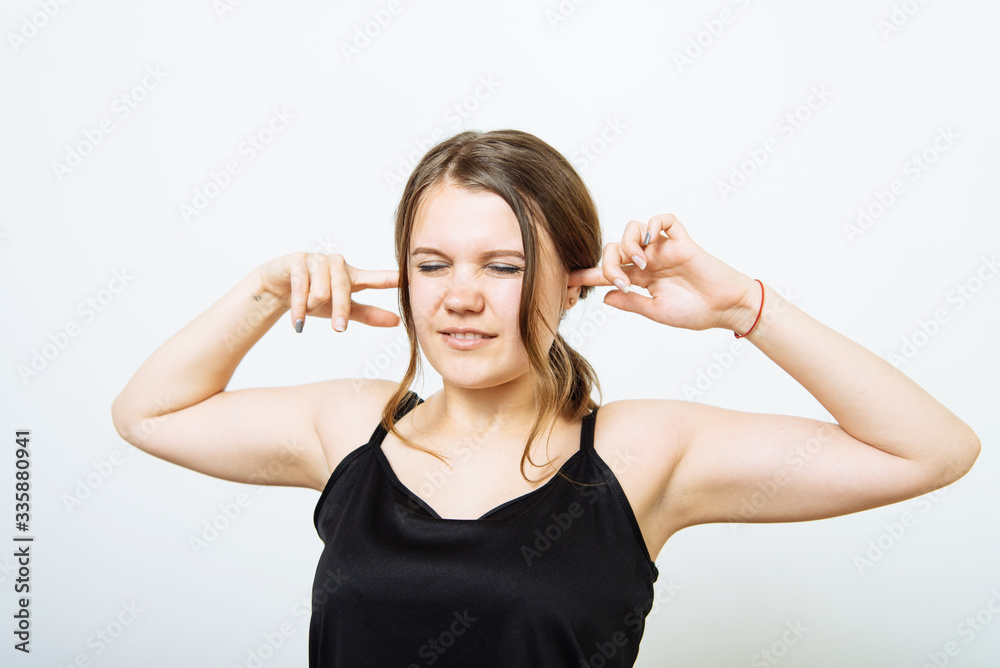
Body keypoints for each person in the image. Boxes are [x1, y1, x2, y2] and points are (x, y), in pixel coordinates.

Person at [111, 129, 980, 667]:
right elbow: (148, 413)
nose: (460, 297)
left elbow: (931, 451)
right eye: (432, 264)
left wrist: (743, 308)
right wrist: (265, 292)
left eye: (503, 266)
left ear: (572, 284)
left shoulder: (638, 455)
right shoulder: (351, 430)